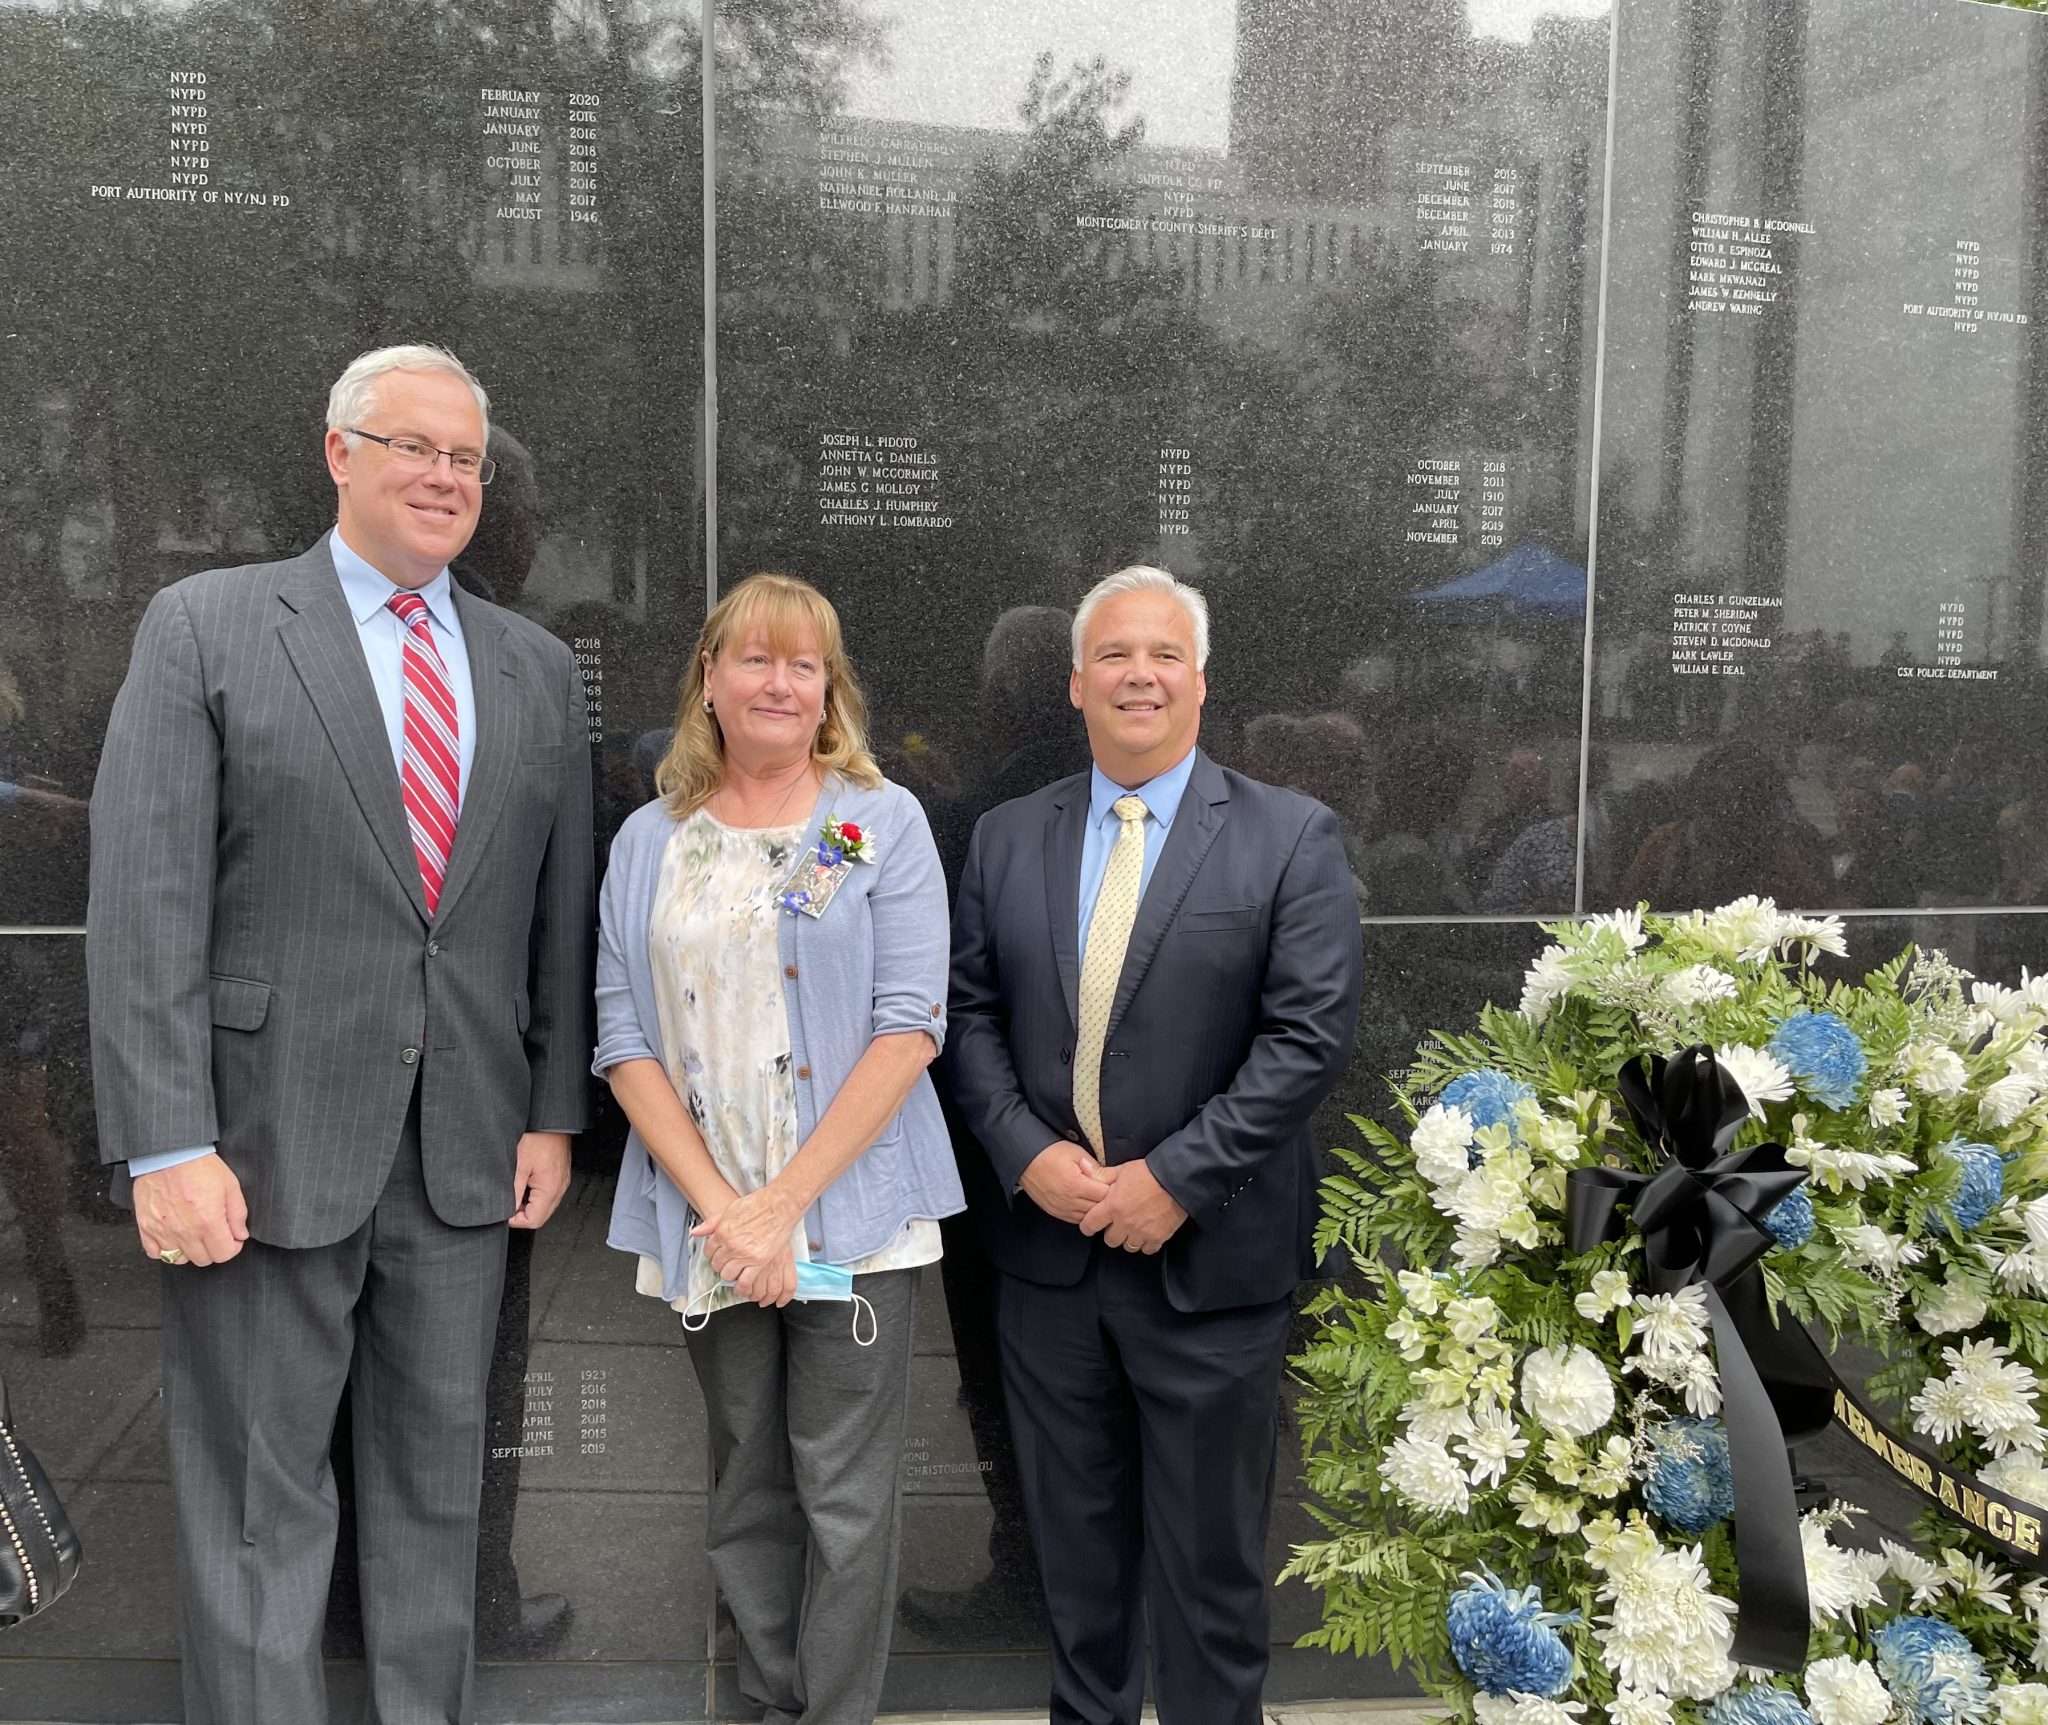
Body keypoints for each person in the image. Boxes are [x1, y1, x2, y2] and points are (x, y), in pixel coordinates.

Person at [86, 343, 595, 1725]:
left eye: (466, 460)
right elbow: (144, 901)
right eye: (413, 446)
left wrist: (550, 1108)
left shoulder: (535, 667)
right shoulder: (209, 625)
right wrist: (165, 1141)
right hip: (254, 1150)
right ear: (339, 453)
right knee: (258, 1504)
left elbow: (555, 916)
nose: (443, 478)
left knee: (439, 1497)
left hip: (464, 1156)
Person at [946, 565, 1364, 1725]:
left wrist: (1176, 1178)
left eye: (1164, 655)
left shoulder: (1288, 836)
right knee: (1073, 1578)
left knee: (1210, 1581)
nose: (1139, 674)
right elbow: (965, 1014)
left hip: (1210, 1271)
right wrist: (1025, 1153)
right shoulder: (1002, 837)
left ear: (1199, 682)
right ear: (1075, 684)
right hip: (1049, 1264)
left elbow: (1307, 1035)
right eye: (1116, 656)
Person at [597, 571, 964, 1725]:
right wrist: (728, 1209)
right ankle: (763, 1702)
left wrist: (785, 1206)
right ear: (707, 679)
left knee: (846, 1503)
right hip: (709, 1217)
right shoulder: (651, 838)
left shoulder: (870, 820)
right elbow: (621, 1035)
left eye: (801, 664)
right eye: (752, 658)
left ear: (828, 692)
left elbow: (910, 1024)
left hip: (852, 1218)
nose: (776, 681)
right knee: (744, 1489)